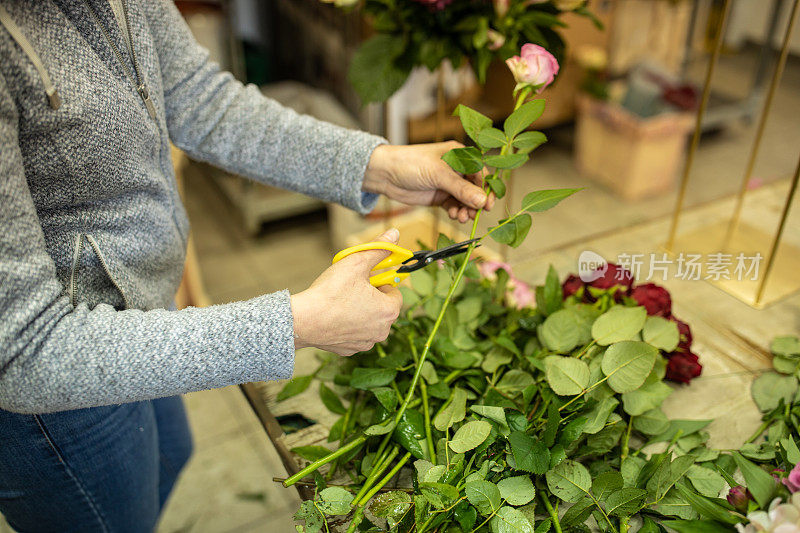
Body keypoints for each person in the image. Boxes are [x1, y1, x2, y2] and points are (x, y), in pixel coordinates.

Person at [0, 1, 493, 531]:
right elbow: (26, 352)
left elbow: (203, 100)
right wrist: (297, 324)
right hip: (56, 393)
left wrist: (376, 165)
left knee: (171, 453)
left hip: (142, 304)